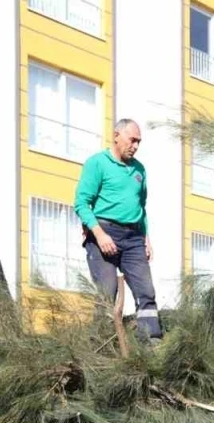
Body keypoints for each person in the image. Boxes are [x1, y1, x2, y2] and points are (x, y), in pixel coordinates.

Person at [74, 118, 161, 342]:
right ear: (116, 136)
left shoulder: (139, 170)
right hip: (103, 233)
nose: (136, 146)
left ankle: (151, 343)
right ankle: (102, 348)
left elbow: (141, 208)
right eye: (132, 140)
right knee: (107, 293)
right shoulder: (97, 163)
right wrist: (99, 235)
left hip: (133, 238)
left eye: (139, 142)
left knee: (146, 292)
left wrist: (146, 239)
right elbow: (82, 204)